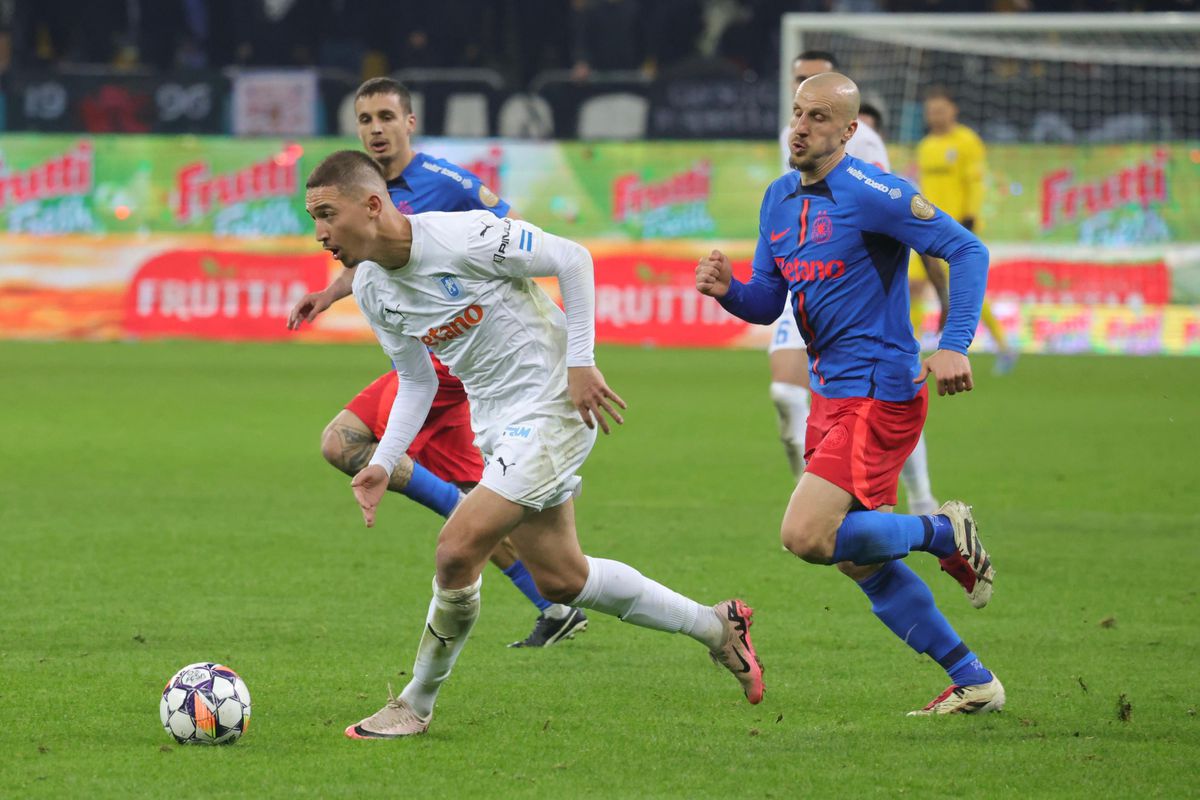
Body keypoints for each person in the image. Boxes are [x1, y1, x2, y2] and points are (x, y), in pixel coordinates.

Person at [304, 150, 765, 738]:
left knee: (456, 548)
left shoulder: (463, 236)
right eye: (312, 218)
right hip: (496, 421)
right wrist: (385, 461)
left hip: (554, 405)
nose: (319, 233)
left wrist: (581, 362)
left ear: (372, 205)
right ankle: (717, 626)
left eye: (326, 214)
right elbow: (418, 380)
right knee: (561, 578)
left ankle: (414, 704)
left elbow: (572, 258)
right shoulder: (371, 287)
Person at [698, 73, 1003, 715]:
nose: (800, 127)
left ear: (848, 130)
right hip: (830, 393)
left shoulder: (876, 194)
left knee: (807, 535)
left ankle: (941, 532)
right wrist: (729, 290)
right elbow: (768, 301)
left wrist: (954, 342)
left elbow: (966, 250)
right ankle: (973, 678)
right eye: (796, 114)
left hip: (881, 390)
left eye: (817, 117)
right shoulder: (779, 200)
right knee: (855, 558)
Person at [287, 77, 587, 648]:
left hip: (458, 357)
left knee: (343, 442)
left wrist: (556, 338)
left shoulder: (443, 183)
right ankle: (550, 601)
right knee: (480, 491)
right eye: (365, 119)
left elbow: (515, 234)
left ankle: (497, 546)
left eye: (385, 117)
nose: (376, 128)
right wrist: (330, 293)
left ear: (409, 122)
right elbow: (377, 258)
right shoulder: (360, 193)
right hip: (437, 355)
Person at [770, 51, 939, 516]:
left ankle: (923, 501)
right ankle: (814, 497)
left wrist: (952, 331)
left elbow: (914, 226)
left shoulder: (864, 148)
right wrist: (729, 288)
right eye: (798, 85)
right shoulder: (792, 139)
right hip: (800, 285)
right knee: (785, 394)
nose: (802, 113)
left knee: (885, 398)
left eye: (813, 82)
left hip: (853, 294)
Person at [917, 87, 1017, 374]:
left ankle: (1004, 346)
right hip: (924, 227)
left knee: (963, 290)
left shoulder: (966, 141)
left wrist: (970, 217)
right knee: (912, 284)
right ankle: (910, 349)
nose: (935, 116)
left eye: (940, 109)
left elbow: (975, 182)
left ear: (953, 110)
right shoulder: (925, 146)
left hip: (956, 228)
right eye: (931, 111)